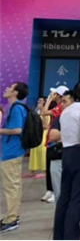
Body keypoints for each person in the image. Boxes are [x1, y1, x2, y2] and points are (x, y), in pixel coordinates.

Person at [53, 81, 80, 240]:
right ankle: (71, 236)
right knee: (78, 199)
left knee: (65, 197)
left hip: (67, 153)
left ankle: (59, 236)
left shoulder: (67, 110)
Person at [0, 82, 29, 234]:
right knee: (13, 185)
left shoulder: (16, 108)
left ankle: (12, 219)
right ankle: (12, 217)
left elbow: (17, 130)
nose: (7, 89)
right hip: (12, 151)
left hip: (12, 152)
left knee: (11, 186)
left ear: (15, 93)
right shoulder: (17, 107)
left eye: (11, 88)